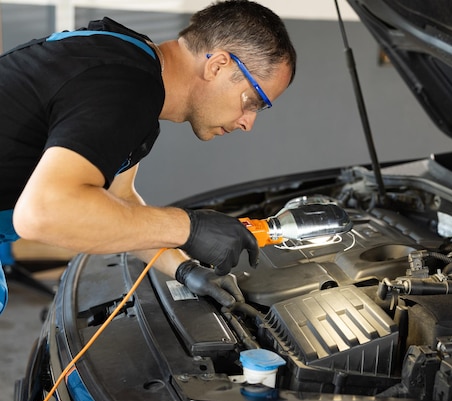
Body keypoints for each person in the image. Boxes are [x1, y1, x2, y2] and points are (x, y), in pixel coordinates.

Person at [0, 0, 297, 314]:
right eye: (253, 101)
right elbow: (43, 212)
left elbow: (120, 198)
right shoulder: (125, 87)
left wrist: (185, 269)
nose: (248, 123)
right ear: (218, 65)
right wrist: (189, 227)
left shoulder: (132, 60)